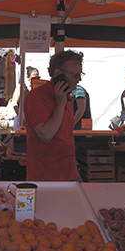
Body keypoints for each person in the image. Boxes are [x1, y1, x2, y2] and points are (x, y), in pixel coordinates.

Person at [23, 49, 84, 182]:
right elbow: (45, 135)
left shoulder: (66, 97)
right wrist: (60, 103)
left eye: (80, 74)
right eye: (75, 75)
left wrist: (76, 172)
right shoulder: (36, 96)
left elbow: (66, 137)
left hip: (69, 174)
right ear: (58, 74)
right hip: (46, 176)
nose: (78, 80)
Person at [10, 66, 39, 131]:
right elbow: (14, 104)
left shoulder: (38, 88)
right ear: (28, 77)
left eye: (37, 78)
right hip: (22, 115)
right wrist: (21, 118)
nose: (36, 79)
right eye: (34, 78)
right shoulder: (21, 87)